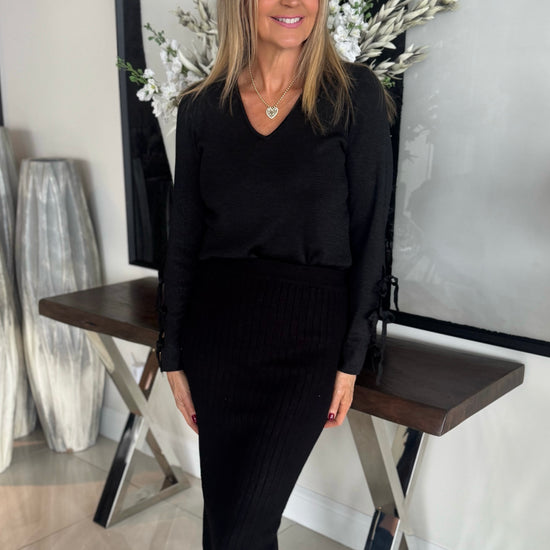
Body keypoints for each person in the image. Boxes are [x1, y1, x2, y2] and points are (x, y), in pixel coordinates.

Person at [155, 0, 395, 547]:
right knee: (226, 524)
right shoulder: (201, 108)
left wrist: (351, 359)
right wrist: (172, 353)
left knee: (242, 527)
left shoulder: (353, 95)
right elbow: (184, 239)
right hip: (216, 340)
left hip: (307, 344)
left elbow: (370, 233)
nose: (294, 3)